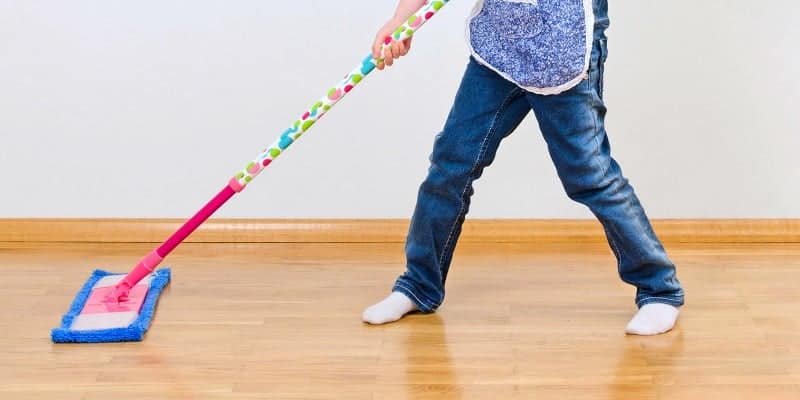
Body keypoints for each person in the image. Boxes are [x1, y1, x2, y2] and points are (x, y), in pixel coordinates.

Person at [362, 0, 684, 335]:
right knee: (451, 164)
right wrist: (401, 20)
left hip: (564, 44)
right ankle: (418, 285)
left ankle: (660, 289)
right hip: (500, 45)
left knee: (590, 176)